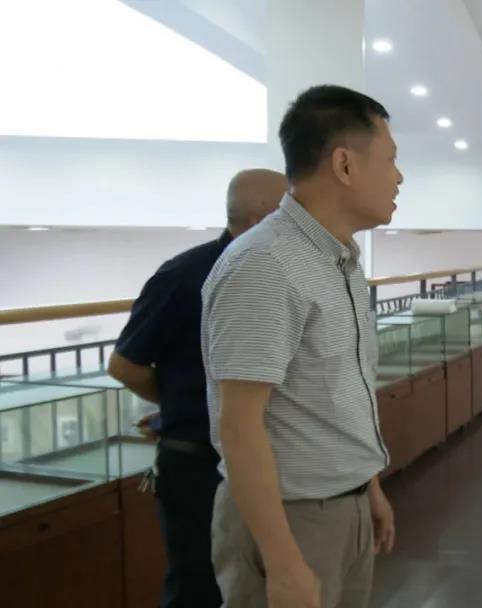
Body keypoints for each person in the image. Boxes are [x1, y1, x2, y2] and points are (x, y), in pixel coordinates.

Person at [201, 84, 402, 608]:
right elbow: (238, 425)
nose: (399, 177)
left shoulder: (340, 260)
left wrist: (368, 487)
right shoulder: (265, 264)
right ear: (344, 164)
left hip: (344, 506)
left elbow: (337, 395)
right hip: (291, 518)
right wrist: (284, 562)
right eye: (390, 159)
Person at [108, 168, 287, 608]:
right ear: (262, 219)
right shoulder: (185, 275)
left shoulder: (283, 273)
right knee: (200, 587)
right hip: (199, 466)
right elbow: (125, 365)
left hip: (269, 456)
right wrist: (186, 403)